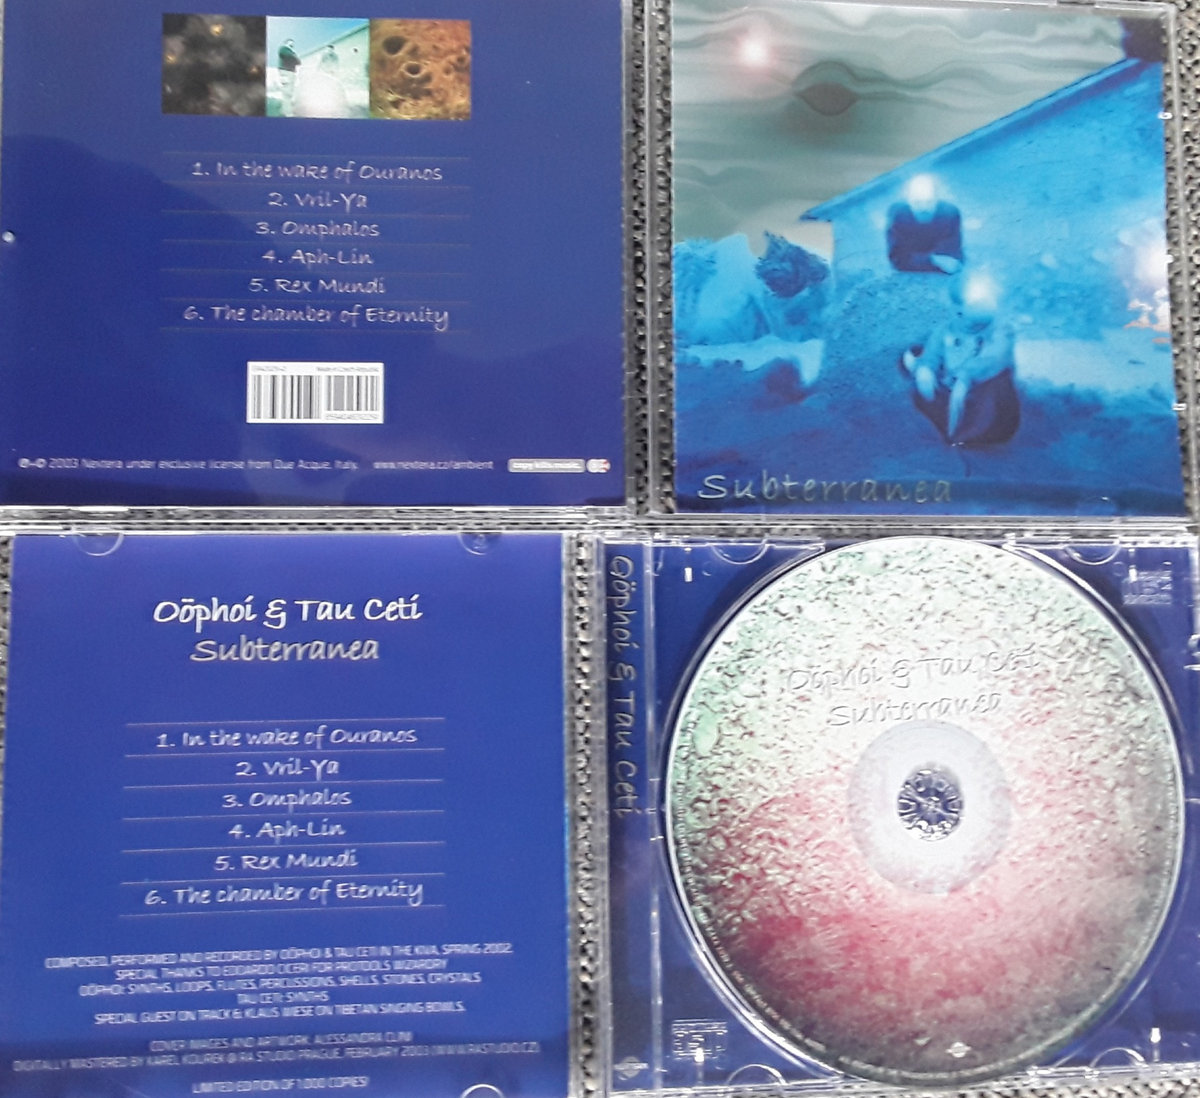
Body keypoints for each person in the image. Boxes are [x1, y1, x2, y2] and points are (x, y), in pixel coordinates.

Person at [899, 272, 1020, 446]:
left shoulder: (1001, 331)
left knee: (995, 394)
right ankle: (946, 428)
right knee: (925, 390)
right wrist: (925, 369)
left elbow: (996, 357)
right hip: (950, 386)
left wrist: (966, 376)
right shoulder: (946, 330)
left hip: (984, 390)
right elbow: (933, 354)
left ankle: (969, 435)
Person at [886, 174, 964, 274]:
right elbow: (898, 260)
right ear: (908, 201)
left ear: (937, 200)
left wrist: (918, 260)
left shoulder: (949, 214)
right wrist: (934, 260)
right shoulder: (898, 215)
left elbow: (951, 259)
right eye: (917, 202)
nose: (923, 208)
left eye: (928, 202)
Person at [277, 38, 300, 115]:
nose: (292, 45)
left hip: (291, 72)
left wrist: (294, 56)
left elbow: (298, 62)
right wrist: (294, 55)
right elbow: (290, 57)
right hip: (286, 72)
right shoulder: (283, 49)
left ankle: (284, 110)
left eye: (292, 44)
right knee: (287, 92)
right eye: (290, 43)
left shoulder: (290, 51)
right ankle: (288, 112)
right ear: (286, 43)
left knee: (289, 92)